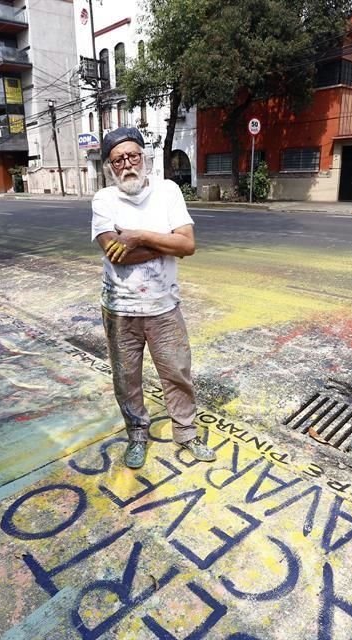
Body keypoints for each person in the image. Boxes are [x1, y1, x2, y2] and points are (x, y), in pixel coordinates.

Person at [91, 127, 216, 469]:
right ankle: (137, 435)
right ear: (110, 167)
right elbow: (116, 254)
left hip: (164, 305)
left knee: (176, 371)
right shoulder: (103, 199)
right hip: (120, 308)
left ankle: (186, 433)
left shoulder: (167, 191)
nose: (127, 164)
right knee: (126, 378)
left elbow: (187, 245)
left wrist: (138, 236)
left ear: (144, 158)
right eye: (118, 160)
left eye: (133, 156)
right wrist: (165, 243)